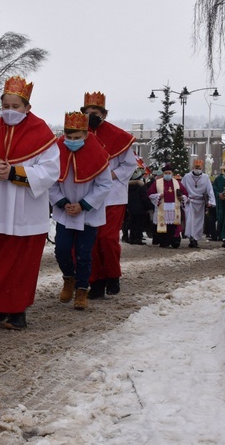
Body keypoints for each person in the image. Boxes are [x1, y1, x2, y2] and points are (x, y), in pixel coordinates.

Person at [0, 76, 60, 330]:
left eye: (15, 106)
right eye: (5, 106)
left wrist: (16, 173)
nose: (9, 111)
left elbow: (51, 171)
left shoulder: (42, 133)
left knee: (20, 263)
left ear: (27, 107)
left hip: (26, 209)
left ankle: (17, 311)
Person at [50, 112, 111, 310]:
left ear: (85, 135)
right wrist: (62, 202)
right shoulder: (57, 152)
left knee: (84, 254)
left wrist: (84, 204)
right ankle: (69, 278)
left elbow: (104, 185)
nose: (72, 141)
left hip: (88, 213)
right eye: (69, 137)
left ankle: (82, 290)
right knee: (62, 249)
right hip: (65, 211)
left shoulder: (98, 154)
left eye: (77, 138)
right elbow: (51, 182)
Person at [82, 92, 135, 298]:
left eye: (94, 112)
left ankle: (112, 275)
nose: (90, 115)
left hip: (113, 195)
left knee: (108, 238)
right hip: (89, 195)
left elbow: (129, 165)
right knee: (91, 241)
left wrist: (110, 174)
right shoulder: (79, 134)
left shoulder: (118, 136)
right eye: (86, 112)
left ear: (103, 113)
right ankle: (95, 281)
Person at [148, 163, 189, 248]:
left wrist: (182, 197)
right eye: (166, 173)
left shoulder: (177, 183)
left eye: (169, 173)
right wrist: (159, 196)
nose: (167, 175)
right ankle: (164, 241)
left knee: (172, 226)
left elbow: (185, 193)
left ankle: (174, 240)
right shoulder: (157, 183)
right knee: (163, 225)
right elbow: (150, 194)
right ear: (163, 174)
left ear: (172, 174)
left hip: (174, 208)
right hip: (162, 207)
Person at [181, 158, 216, 248]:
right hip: (190, 202)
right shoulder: (187, 177)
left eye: (199, 167)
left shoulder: (205, 177)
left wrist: (211, 201)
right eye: (196, 167)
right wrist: (183, 198)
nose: (197, 169)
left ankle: (195, 239)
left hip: (200, 203)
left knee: (198, 222)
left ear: (202, 168)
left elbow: (210, 190)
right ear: (193, 167)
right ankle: (191, 239)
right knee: (190, 221)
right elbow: (182, 189)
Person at [126, 167, 153, 244]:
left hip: (131, 208)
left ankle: (132, 238)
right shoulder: (141, 187)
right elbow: (144, 198)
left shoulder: (129, 187)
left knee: (133, 223)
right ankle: (138, 238)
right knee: (139, 224)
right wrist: (150, 206)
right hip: (141, 208)